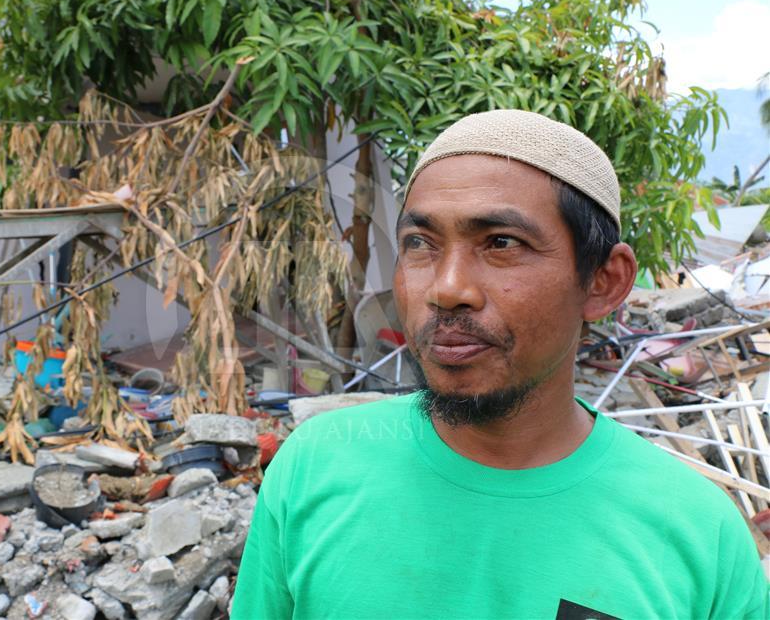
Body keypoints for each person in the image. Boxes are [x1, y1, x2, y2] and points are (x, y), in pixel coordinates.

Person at [231, 110, 769, 619]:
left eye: (501, 243)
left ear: (603, 282)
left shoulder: (699, 536)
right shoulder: (314, 468)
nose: (447, 289)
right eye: (420, 243)